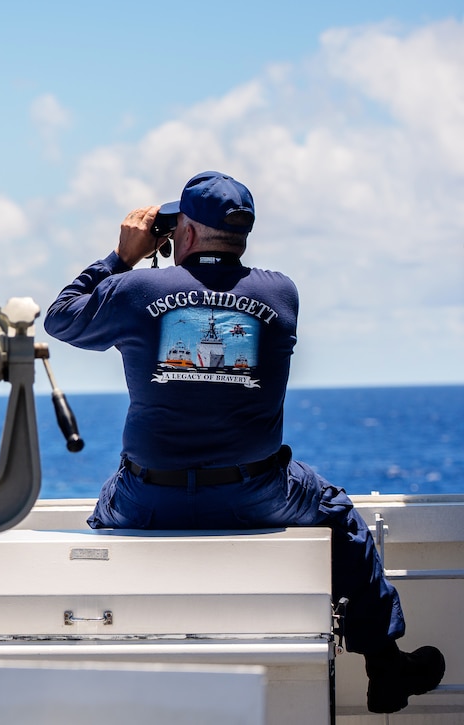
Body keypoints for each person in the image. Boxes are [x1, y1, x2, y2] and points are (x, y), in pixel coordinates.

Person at [44, 170, 444, 714]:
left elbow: (60, 317)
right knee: (337, 513)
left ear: (182, 232)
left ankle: (92, 668)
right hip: (256, 492)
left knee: (107, 508)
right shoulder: (280, 292)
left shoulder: (135, 291)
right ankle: (383, 663)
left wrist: (121, 258)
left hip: (149, 498)